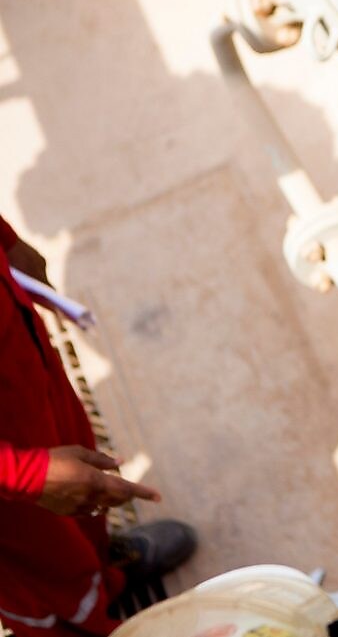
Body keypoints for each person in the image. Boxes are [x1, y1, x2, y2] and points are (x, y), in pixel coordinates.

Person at [0, 216, 198, 636]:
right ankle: (76, 621)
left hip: (22, 371)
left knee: (81, 497)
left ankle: (104, 578)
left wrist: (6, 239)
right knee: (38, 568)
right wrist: (26, 476)